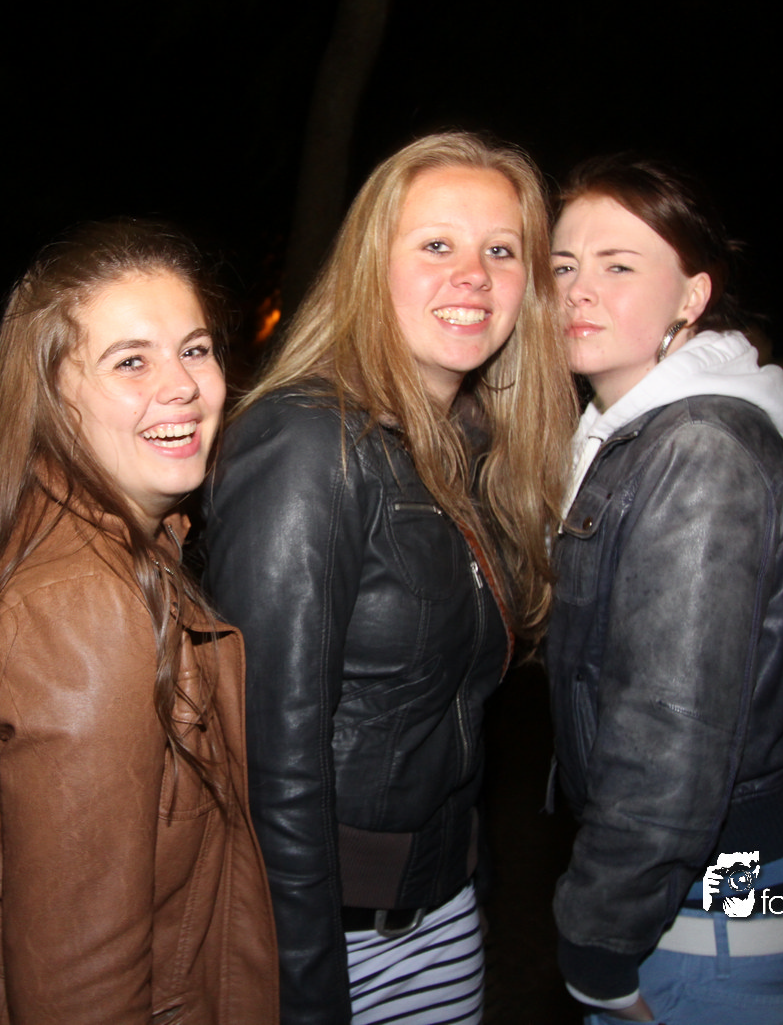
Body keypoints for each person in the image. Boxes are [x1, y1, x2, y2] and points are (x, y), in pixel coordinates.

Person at [0, 220, 278, 1024]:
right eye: (130, 361)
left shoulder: (77, 536)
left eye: (194, 349)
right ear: (51, 397)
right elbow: (82, 988)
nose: (182, 386)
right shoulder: (86, 607)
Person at [202, 132, 577, 1024]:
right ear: (372, 266)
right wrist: (303, 988)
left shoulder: (466, 452)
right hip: (330, 939)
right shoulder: (309, 444)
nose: (473, 276)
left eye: (501, 250)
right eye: (436, 244)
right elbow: (265, 758)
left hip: (436, 912)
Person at [545, 155, 783, 1025]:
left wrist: (599, 941)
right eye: (562, 266)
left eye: (618, 265)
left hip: (712, 911)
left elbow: (668, 730)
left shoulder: (695, 449)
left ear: (691, 295)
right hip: (723, 896)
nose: (577, 290)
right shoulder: (633, 436)